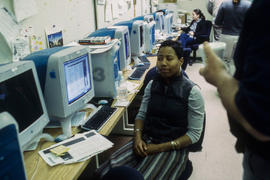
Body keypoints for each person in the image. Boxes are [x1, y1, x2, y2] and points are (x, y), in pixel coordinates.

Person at [96, 40, 205, 179]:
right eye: (160, 58)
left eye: (169, 58)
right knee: (104, 173)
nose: (163, 63)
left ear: (181, 61)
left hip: (173, 146)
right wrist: (137, 138)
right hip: (146, 140)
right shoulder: (152, 84)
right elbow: (141, 115)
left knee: (144, 176)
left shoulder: (192, 92)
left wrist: (160, 147)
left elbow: (194, 135)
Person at [199, 1, 270, 179]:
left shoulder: (260, 8)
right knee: (235, 65)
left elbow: (260, 118)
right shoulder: (248, 5)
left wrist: (220, 78)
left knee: (228, 66)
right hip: (237, 36)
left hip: (264, 157)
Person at [215, 0, 251, 67]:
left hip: (226, 37)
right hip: (241, 38)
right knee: (239, 62)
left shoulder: (224, 4)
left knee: (224, 62)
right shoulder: (248, 5)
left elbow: (217, 22)